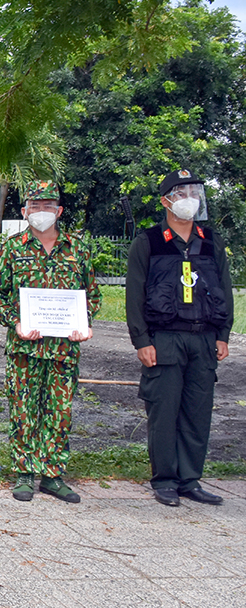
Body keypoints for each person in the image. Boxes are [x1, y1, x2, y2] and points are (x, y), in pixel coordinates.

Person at [0, 181, 100, 503]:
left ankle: (52, 475)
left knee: (59, 412)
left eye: (48, 206)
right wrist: (17, 322)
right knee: (23, 410)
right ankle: (24, 473)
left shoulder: (77, 250)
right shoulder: (12, 249)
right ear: (24, 211)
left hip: (64, 350)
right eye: (35, 206)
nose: (41, 212)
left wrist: (84, 323)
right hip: (25, 348)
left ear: (59, 211)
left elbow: (92, 295)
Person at [126, 169, 232, 507]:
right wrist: (141, 340)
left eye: (194, 192)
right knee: (165, 410)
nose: (189, 199)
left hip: (203, 338)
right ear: (166, 201)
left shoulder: (211, 241)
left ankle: (190, 479)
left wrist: (223, 334)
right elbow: (135, 295)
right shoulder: (150, 242)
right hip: (165, 339)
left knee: (197, 411)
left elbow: (224, 289)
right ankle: (165, 479)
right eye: (181, 193)